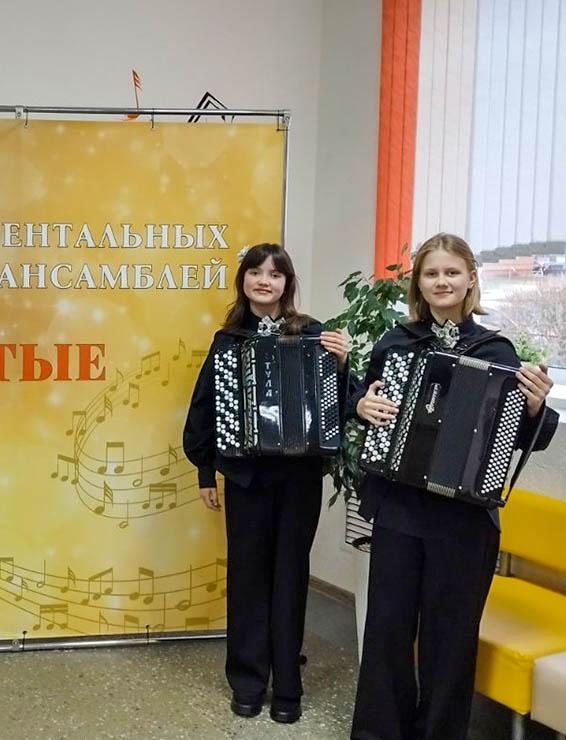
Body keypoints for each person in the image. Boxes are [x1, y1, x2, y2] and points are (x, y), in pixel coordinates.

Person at [350, 232, 558, 739]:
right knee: (387, 631)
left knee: (451, 640)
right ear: (418, 284)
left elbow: (523, 435)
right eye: (431, 273)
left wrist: (535, 408)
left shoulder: (497, 351)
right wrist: (360, 404)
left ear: (470, 279)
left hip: (463, 522)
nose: (441, 281)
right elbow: (365, 397)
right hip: (399, 509)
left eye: (451, 272)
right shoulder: (396, 342)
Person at [182, 243, 350, 724]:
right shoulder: (228, 339)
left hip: (298, 479)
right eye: (255, 272)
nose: (264, 281)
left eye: (275, 274)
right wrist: (205, 470)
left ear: (287, 283)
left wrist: (341, 366)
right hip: (246, 477)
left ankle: (288, 686)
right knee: (247, 577)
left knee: (291, 576)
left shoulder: (313, 333)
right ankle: (248, 681)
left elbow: (340, 407)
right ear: (243, 281)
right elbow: (204, 407)